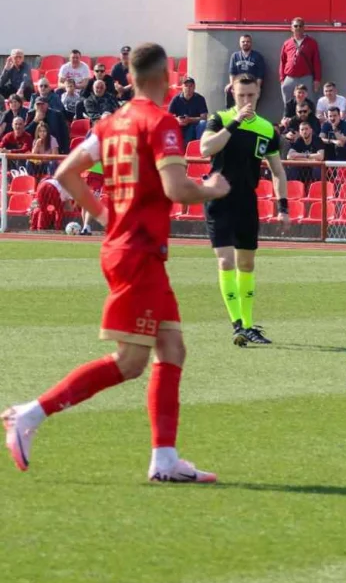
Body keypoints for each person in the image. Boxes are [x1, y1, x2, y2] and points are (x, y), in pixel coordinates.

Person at [3, 42, 231, 483]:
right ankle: (29, 414)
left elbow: (66, 173)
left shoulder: (110, 123)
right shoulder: (161, 121)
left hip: (132, 249)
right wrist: (212, 188)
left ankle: (165, 458)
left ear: (130, 77)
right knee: (130, 362)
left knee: (172, 348)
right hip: (139, 253)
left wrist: (107, 216)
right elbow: (177, 190)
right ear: (164, 78)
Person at [198, 74, 292, 347]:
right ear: (233, 94)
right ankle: (238, 324)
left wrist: (282, 206)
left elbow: (277, 171)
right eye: (241, 96)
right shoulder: (220, 119)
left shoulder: (266, 129)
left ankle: (248, 325)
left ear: (258, 94)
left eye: (251, 96)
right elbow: (206, 148)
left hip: (246, 202)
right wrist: (236, 121)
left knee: (247, 264)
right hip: (218, 200)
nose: (246, 100)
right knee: (226, 261)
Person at [278, 18, 322, 105]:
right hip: (290, 78)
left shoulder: (312, 42)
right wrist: (282, 79)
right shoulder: (287, 43)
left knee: (309, 102)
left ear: (304, 28)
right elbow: (282, 61)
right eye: (295, 26)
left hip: (306, 77)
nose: (298, 28)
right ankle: (289, 117)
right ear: (291, 28)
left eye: (300, 26)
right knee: (288, 103)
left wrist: (317, 79)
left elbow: (316, 62)